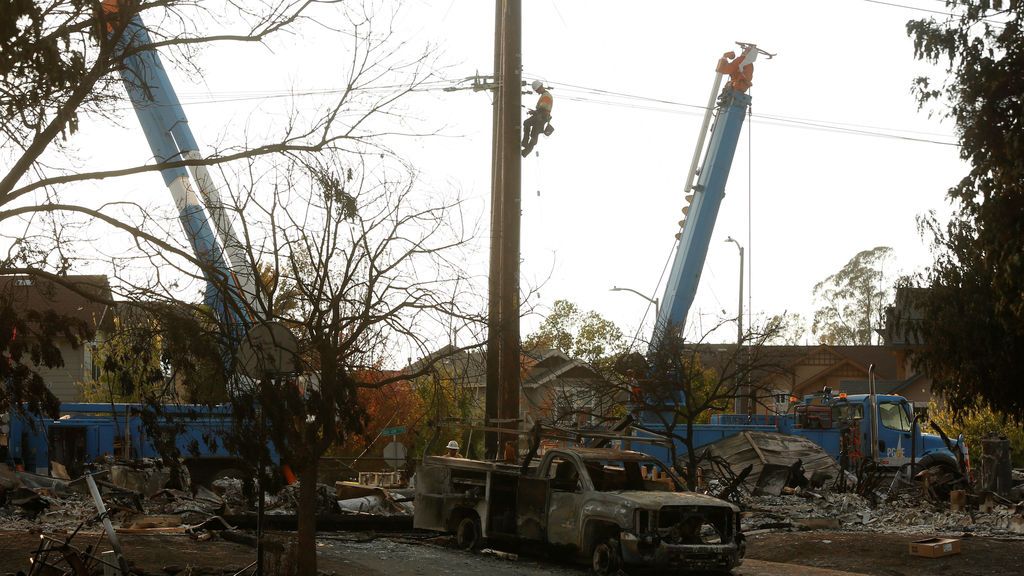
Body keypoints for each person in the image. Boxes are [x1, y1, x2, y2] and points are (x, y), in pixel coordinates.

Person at [521, 80, 553, 157]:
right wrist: (534, 112)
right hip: (541, 117)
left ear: (540, 87)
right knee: (534, 134)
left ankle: (525, 144)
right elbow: (542, 109)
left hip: (541, 117)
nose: (537, 92)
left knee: (527, 123)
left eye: (537, 90)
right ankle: (525, 151)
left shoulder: (546, 95)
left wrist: (534, 112)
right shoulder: (545, 95)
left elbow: (543, 108)